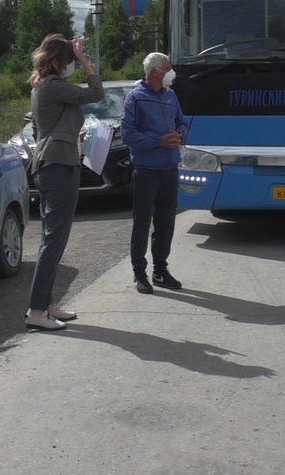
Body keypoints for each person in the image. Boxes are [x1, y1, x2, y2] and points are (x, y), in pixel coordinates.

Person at [25, 34, 103, 330]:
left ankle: (46, 306)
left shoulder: (43, 86)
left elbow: (42, 127)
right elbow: (96, 93)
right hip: (58, 166)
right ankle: (36, 311)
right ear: (57, 62)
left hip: (54, 162)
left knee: (52, 239)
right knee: (53, 240)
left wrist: (70, 136)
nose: (72, 66)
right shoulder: (54, 85)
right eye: (70, 61)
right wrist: (84, 59)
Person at [122, 52, 188, 294]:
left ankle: (160, 270)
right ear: (154, 74)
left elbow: (183, 122)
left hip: (170, 168)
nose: (171, 71)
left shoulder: (171, 96)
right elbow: (128, 135)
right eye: (167, 68)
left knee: (166, 222)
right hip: (146, 170)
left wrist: (179, 135)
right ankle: (139, 272)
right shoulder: (135, 98)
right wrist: (158, 141)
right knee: (142, 223)